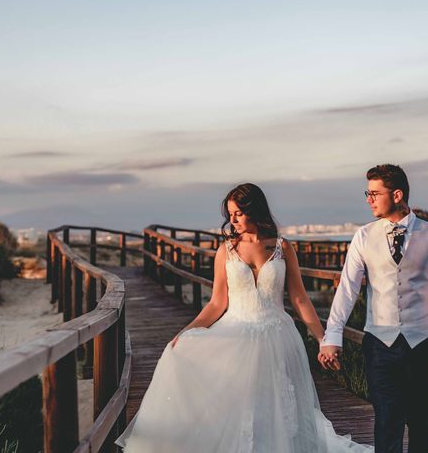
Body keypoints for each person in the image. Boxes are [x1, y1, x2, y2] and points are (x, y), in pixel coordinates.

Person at [116, 183, 373, 452]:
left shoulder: (282, 247)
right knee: (240, 405)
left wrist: (323, 338)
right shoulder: (226, 250)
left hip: (278, 335)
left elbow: (299, 298)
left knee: (276, 404)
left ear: (255, 210)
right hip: (235, 335)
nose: (233, 220)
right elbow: (217, 303)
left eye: (238, 213)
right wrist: (186, 332)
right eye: (230, 214)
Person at [319, 164, 428, 453]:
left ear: (397, 194)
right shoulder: (363, 236)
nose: (368, 199)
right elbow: (347, 290)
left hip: (423, 341)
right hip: (380, 344)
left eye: (374, 193)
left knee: (422, 421)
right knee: (387, 420)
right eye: (368, 193)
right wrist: (332, 336)